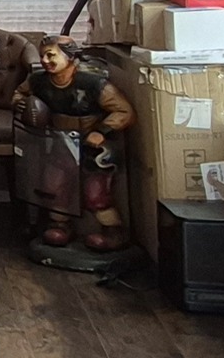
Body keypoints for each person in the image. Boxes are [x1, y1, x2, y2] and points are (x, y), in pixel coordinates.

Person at [13, 35, 135, 251]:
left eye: (51, 55)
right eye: (42, 56)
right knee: (55, 187)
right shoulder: (38, 81)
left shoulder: (93, 84)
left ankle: (113, 231)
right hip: (58, 142)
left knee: (95, 194)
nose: (45, 61)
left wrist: (101, 131)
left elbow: (124, 111)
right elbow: (19, 94)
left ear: (69, 56)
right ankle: (60, 226)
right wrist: (22, 104)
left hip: (90, 146)